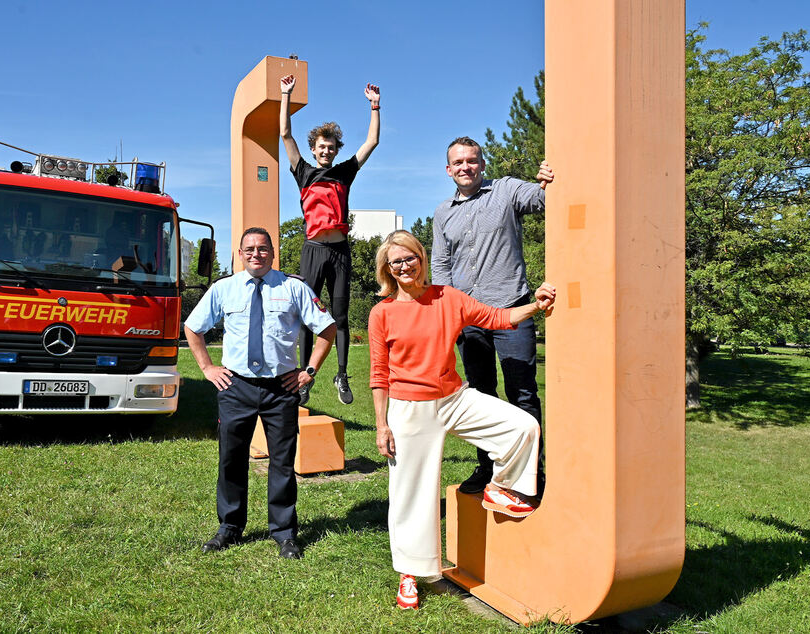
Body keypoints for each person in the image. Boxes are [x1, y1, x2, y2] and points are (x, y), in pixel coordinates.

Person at [369, 230, 556, 610]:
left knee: (523, 426)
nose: (405, 266)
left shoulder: (447, 297)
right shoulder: (382, 312)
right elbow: (378, 373)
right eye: (396, 262)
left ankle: (501, 486)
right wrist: (381, 424)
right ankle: (410, 574)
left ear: (422, 258)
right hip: (408, 410)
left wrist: (535, 306)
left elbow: (497, 318)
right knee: (412, 496)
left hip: (454, 398)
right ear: (387, 270)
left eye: (410, 258)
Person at [184, 227, 336, 560]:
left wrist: (309, 371)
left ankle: (284, 533)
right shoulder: (224, 289)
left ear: (272, 251)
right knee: (231, 459)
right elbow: (193, 327)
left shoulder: (293, 288)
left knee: (282, 463)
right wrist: (208, 368)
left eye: (263, 248)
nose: (256, 253)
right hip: (235, 386)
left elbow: (327, 328)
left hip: (280, 388)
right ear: (240, 253)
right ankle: (229, 527)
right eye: (249, 249)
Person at [431, 136, 554, 495]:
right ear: (448, 170)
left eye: (472, 161)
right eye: (458, 163)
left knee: (523, 392)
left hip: (511, 309)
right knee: (481, 396)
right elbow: (440, 264)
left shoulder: (506, 190)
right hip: (469, 320)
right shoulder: (443, 213)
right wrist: (449, 312)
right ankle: (487, 467)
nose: (465, 167)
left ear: (482, 164)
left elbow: (541, 198)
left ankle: (531, 474)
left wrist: (546, 177)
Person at [279, 73, 381, 406]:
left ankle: (341, 374)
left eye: (331, 147)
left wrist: (374, 107)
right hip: (313, 250)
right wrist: (285, 95)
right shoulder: (304, 172)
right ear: (313, 150)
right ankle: (304, 376)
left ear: (337, 151)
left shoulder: (344, 172)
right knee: (308, 316)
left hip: (339, 251)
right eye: (321, 147)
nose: (326, 151)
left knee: (339, 316)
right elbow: (284, 133)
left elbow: (371, 144)